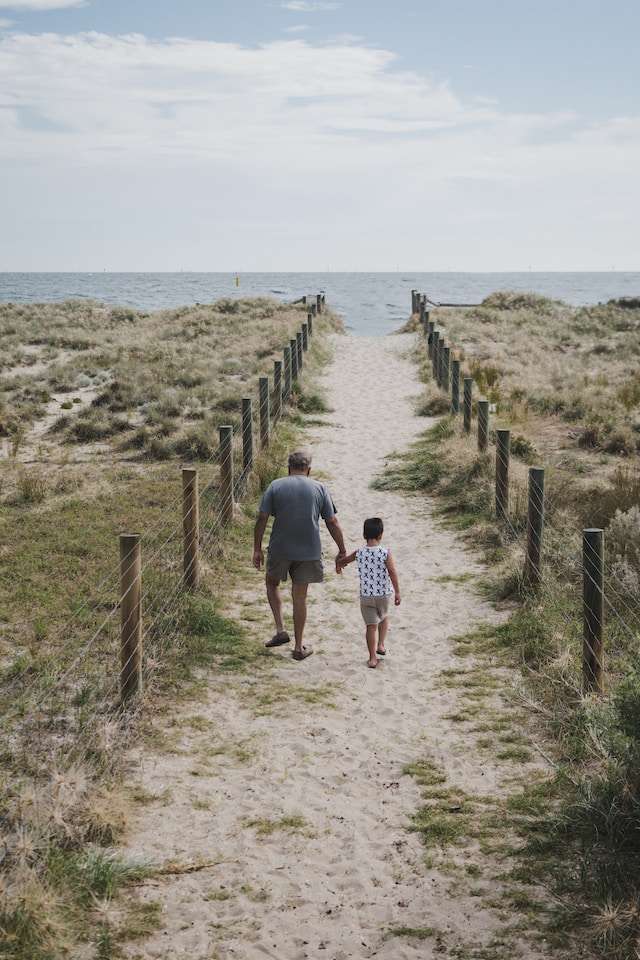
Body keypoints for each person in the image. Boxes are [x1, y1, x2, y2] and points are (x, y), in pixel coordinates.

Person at [253, 450, 346, 661]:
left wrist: (257, 548)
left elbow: (262, 517)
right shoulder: (320, 488)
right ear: (309, 469)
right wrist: (341, 549)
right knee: (300, 597)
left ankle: (280, 629)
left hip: (280, 548)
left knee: (271, 583)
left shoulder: (275, 485)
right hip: (309, 550)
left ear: (288, 468)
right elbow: (332, 522)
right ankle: (298, 646)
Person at [338, 517, 401, 669]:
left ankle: (372, 658)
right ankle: (381, 644)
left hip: (366, 595)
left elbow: (345, 560)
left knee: (370, 626)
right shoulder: (385, 552)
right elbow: (392, 572)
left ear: (364, 535)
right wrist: (398, 592)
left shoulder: (359, 552)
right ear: (381, 535)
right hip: (383, 594)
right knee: (384, 617)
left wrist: (339, 564)